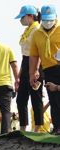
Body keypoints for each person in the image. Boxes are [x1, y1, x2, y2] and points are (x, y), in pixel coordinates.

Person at [30, 5, 60, 134]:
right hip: (48, 69)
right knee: (53, 99)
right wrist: (33, 72)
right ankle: (58, 127)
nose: (48, 22)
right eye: (46, 19)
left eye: (50, 19)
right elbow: (34, 56)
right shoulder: (36, 34)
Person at [15, 5, 44, 132]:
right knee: (21, 98)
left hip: (37, 62)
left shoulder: (38, 29)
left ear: (30, 16)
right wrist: (19, 75)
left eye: (23, 17)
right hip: (26, 62)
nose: (21, 20)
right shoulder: (27, 30)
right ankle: (23, 127)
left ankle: (38, 127)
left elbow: (40, 52)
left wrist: (36, 69)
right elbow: (25, 54)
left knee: (35, 96)